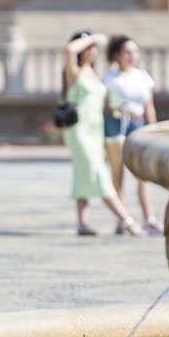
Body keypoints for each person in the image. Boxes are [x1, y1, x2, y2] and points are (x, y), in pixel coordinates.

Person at [61, 30, 144, 237]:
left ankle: (82, 222)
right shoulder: (74, 72)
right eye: (88, 48)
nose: (92, 51)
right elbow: (69, 49)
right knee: (100, 174)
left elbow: (106, 104)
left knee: (82, 174)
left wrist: (126, 110)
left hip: (96, 130)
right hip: (78, 131)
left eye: (94, 48)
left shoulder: (97, 74)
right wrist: (92, 38)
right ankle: (128, 221)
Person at [103, 35, 163, 236]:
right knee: (118, 173)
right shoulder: (110, 77)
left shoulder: (143, 76)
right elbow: (103, 105)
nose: (132, 56)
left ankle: (149, 219)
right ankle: (123, 219)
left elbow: (149, 106)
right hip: (116, 121)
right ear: (117, 55)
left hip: (137, 122)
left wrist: (153, 130)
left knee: (142, 174)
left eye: (135, 52)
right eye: (128, 52)